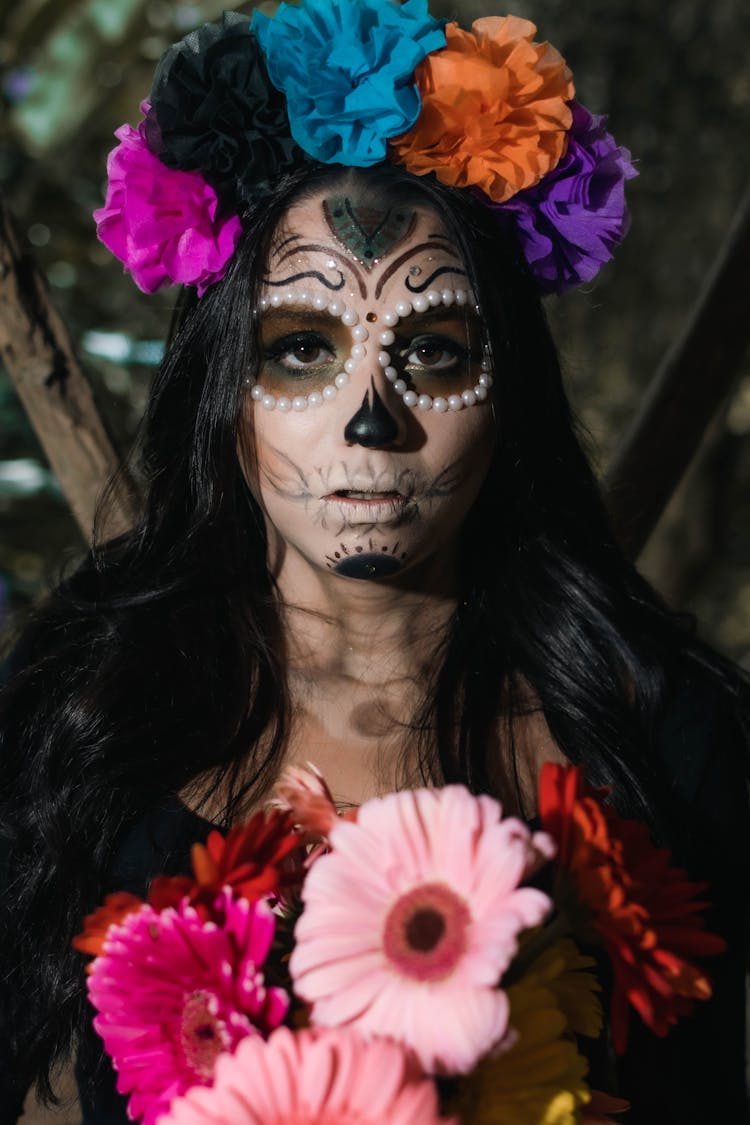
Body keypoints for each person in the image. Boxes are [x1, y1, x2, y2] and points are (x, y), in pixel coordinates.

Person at [1, 4, 748, 1123]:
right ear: (221, 398)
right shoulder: (88, 723)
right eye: (302, 349)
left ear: (511, 405)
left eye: (435, 350)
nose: (370, 421)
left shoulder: (666, 736)